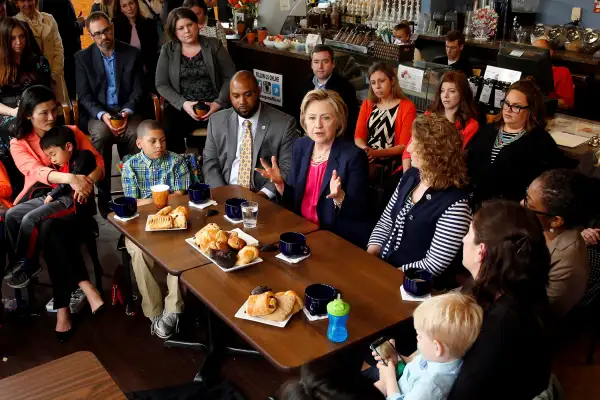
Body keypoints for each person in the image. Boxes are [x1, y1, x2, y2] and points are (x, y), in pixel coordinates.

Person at [8, 84, 105, 340]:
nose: (52, 117)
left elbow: (100, 165)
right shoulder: (19, 143)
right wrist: (70, 177)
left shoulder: (71, 132)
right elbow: (35, 171)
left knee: (48, 226)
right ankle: (79, 288)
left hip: (75, 201)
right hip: (44, 198)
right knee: (35, 223)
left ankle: (63, 308)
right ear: (28, 114)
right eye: (44, 113)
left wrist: (85, 183)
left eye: (54, 110)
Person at [447, 200, 552, 399]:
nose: (463, 240)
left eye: (469, 233)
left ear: (482, 251)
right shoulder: (520, 285)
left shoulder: (500, 326)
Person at [256, 89, 371, 247]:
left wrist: (340, 198)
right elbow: (293, 202)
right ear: (304, 120)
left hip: (333, 237)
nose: (318, 125)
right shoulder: (301, 146)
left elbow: (360, 212)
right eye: (312, 118)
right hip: (299, 230)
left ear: (338, 121)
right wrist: (280, 184)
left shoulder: (353, 157)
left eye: (326, 118)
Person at [367, 114, 471, 289]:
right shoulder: (411, 176)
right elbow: (386, 222)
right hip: (386, 270)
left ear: (435, 154)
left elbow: (434, 265)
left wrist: (390, 274)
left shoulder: (457, 204)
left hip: (418, 287)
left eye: (416, 143)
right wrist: (370, 255)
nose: (410, 148)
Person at [4, 126, 97, 288]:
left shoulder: (82, 158)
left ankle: (27, 262)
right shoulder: (58, 161)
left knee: (29, 219)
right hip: (52, 194)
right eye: (49, 156)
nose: (51, 160)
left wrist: (53, 194)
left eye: (53, 155)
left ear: (68, 147)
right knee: (12, 214)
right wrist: (53, 192)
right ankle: (17, 260)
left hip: (69, 201)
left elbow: (72, 182)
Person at [121, 119, 190, 339]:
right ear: (140, 143)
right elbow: (132, 202)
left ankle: (172, 309)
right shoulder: (130, 166)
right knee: (139, 253)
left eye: (162, 140)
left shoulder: (177, 161)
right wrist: (161, 199)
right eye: (153, 141)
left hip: (174, 220)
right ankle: (154, 311)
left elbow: (181, 196)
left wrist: (148, 201)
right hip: (139, 224)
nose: (159, 145)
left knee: (182, 250)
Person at [75, 11, 144, 216]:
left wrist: (126, 112)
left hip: (126, 110)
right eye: (97, 34)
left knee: (136, 134)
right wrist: (103, 116)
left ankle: (134, 193)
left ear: (112, 28)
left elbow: (138, 90)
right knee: (101, 135)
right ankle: (103, 198)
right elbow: (84, 96)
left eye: (106, 31)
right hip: (99, 114)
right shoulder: (82, 58)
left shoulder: (132, 54)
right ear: (90, 35)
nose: (103, 37)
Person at [466, 79, 576, 207]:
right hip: (477, 204)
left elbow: (551, 182)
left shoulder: (539, 141)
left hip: (515, 210)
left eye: (516, 106)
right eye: (506, 103)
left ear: (530, 110)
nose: (508, 110)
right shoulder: (487, 130)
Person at [203, 70, 296, 199]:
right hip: (225, 193)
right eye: (236, 96)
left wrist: (263, 196)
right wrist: (224, 195)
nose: (242, 102)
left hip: (263, 197)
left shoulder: (284, 124)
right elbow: (210, 163)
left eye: (247, 94)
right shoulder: (217, 121)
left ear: (258, 91)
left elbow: (287, 167)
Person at [373, 292, 483, 400]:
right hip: (400, 384)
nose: (417, 338)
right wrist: (398, 360)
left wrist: (389, 380)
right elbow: (415, 367)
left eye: (419, 335)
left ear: (437, 348)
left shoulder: (431, 386)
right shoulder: (439, 356)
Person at [156, 7, 235, 153]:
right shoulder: (168, 50)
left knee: (228, 130)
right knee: (169, 128)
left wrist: (217, 104)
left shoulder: (213, 45)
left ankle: (218, 169)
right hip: (183, 107)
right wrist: (183, 104)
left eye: (189, 25)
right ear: (174, 32)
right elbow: (161, 83)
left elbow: (230, 76)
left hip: (214, 104)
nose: (186, 31)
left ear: (197, 24)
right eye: (180, 28)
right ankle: (179, 169)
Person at [522, 169, 592, 320]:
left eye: (529, 204)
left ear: (556, 220)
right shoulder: (542, 228)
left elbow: (541, 315)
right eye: (526, 195)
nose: (522, 204)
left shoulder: (567, 264)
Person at [402, 71, 479, 171]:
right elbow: (408, 149)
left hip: (440, 173)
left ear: (462, 94)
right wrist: (406, 174)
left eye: (452, 91)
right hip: (414, 167)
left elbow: (454, 159)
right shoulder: (429, 114)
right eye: (442, 91)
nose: (445, 95)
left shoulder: (471, 125)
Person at [354, 62, 415, 187]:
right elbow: (358, 137)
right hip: (367, 157)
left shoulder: (407, 106)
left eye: (381, 81)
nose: (377, 86)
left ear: (392, 81)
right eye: (373, 83)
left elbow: (404, 146)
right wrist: (365, 150)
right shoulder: (368, 103)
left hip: (391, 162)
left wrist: (375, 153)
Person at [296, 44, 358, 141]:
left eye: (325, 62)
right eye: (316, 62)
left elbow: (349, 122)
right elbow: (298, 113)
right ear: (311, 64)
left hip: (334, 139)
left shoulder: (346, 88)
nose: (320, 66)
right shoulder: (303, 84)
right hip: (308, 136)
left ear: (333, 64)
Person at [15, 0, 70, 108]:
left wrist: (55, 72)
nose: (27, 4)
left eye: (30, 0)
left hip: (55, 75)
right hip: (32, 79)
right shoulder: (15, 23)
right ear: (16, 3)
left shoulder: (49, 18)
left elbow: (59, 47)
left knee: (59, 110)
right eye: (22, 1)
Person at [0, 17, 50, 134]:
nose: (19, 42)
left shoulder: (40, 62)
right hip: (7, 112)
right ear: (4, 40)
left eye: (22, 36)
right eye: (13, 38)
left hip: (36, 111)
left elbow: (46, 93)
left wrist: (34, 112)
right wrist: (13, 112)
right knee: (18, 127)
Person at [39, 0, 84, 99]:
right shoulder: (54, 2)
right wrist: (80, 23)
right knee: (72, 93)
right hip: (66, 55)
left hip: (66, 55)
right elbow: (63, 30)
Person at [112, 0, 159, 91]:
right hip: (123, 74)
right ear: (120, 9)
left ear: (136, 4)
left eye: (131, 3)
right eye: (124, 6)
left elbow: (152, 51)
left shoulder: (149, 24)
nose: (129, 8)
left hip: (146, 73)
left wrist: (145, 66)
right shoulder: (114, 27)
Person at [532, 38, 575, 110]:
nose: (534, 54)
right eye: (532, 50)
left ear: (550, 53)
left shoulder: (562, 72)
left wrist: (540, 100)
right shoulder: (524, 71)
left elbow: (567, 104)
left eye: (539, 50)